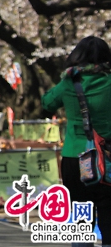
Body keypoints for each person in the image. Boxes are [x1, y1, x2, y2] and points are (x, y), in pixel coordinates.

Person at [42, 36, 111, 245]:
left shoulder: (68, 83)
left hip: (75, 157)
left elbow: (47, 104)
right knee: (109, 213)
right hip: (107, 157)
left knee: (81, 212)